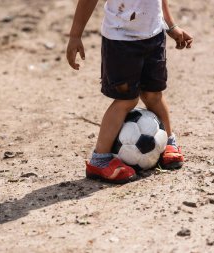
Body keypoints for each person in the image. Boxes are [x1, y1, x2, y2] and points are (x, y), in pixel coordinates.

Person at [66, 0, 193, 183]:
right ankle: (99, 161)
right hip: (120, 40)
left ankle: (168, 142)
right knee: (126, 100)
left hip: (154, 36)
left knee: (154, 95)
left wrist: (171, 26)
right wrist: (75, 36)